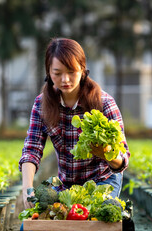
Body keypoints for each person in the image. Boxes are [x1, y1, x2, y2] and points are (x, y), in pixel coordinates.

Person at [19, 38, 130, 210]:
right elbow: (32, 149)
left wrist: (107, 154)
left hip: (103, 181)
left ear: (83, 70)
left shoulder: (104, 103)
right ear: (48, 72)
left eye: (71, 72)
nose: (65, 79)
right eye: (57, 73)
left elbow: (123, 160)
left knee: (92, 224)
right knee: (31, 229)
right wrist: (27, 187)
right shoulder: (42, 104)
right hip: (67, 185)